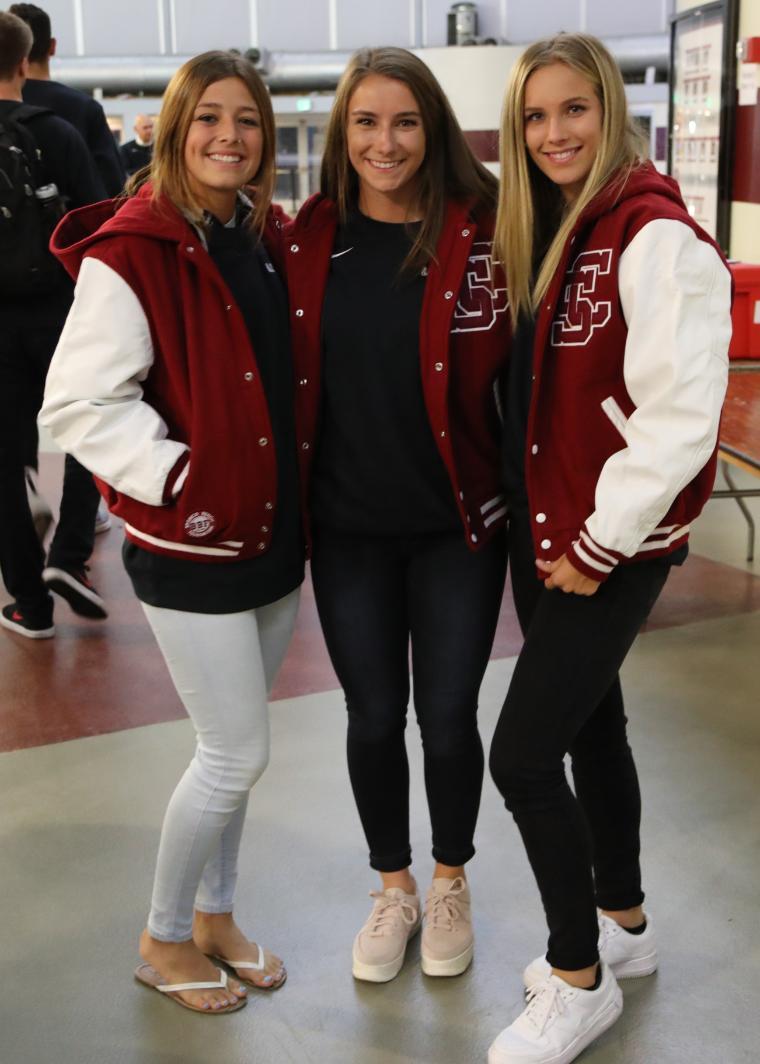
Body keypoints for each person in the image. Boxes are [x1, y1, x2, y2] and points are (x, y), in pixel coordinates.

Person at [486, 33, 732, 1064]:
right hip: (546, 529)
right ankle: (622, 924)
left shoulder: (653, 234)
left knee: (523, 753)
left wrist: (598, 539)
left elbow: (683, 414)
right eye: (534, 117)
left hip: (603, 544)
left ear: (612, 110)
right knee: (594, 727)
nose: (553, 134)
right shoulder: (551, 226)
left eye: (572, 110)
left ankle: (577, 977)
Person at [41, 50, 303, 1014]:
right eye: (209, 119)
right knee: (234, 752)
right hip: (193, 538)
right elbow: (77, 403)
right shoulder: (136, 248)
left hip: (274, 535)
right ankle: (162, 936)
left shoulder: (261, 236)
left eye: (247, 121)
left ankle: (216, 916)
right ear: (173, 128)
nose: (230, 137)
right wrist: (181, 475)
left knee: (240, 742)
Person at [285, 47, 509, 984]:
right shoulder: (306, 238)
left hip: (459, 523)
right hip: (347, 530)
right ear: (344, 131)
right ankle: (395, 886)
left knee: (449, 715)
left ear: (435, 130)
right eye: (367, 122)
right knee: (375, 715)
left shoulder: (487, 229)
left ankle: (450, 876)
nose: (386, 141)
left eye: (406, 122)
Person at [0, 10, 105, 639]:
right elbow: (96, 227)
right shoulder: (60, 131)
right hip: (62, 312)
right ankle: (69, 556)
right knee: (91, 430)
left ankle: (29, 607)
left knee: (1, 464)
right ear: (26, 60)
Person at [11, 2, 125, 196]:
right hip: (73, 224)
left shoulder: (9, 108)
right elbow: (113, 188)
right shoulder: (85, 108)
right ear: (52, 46)